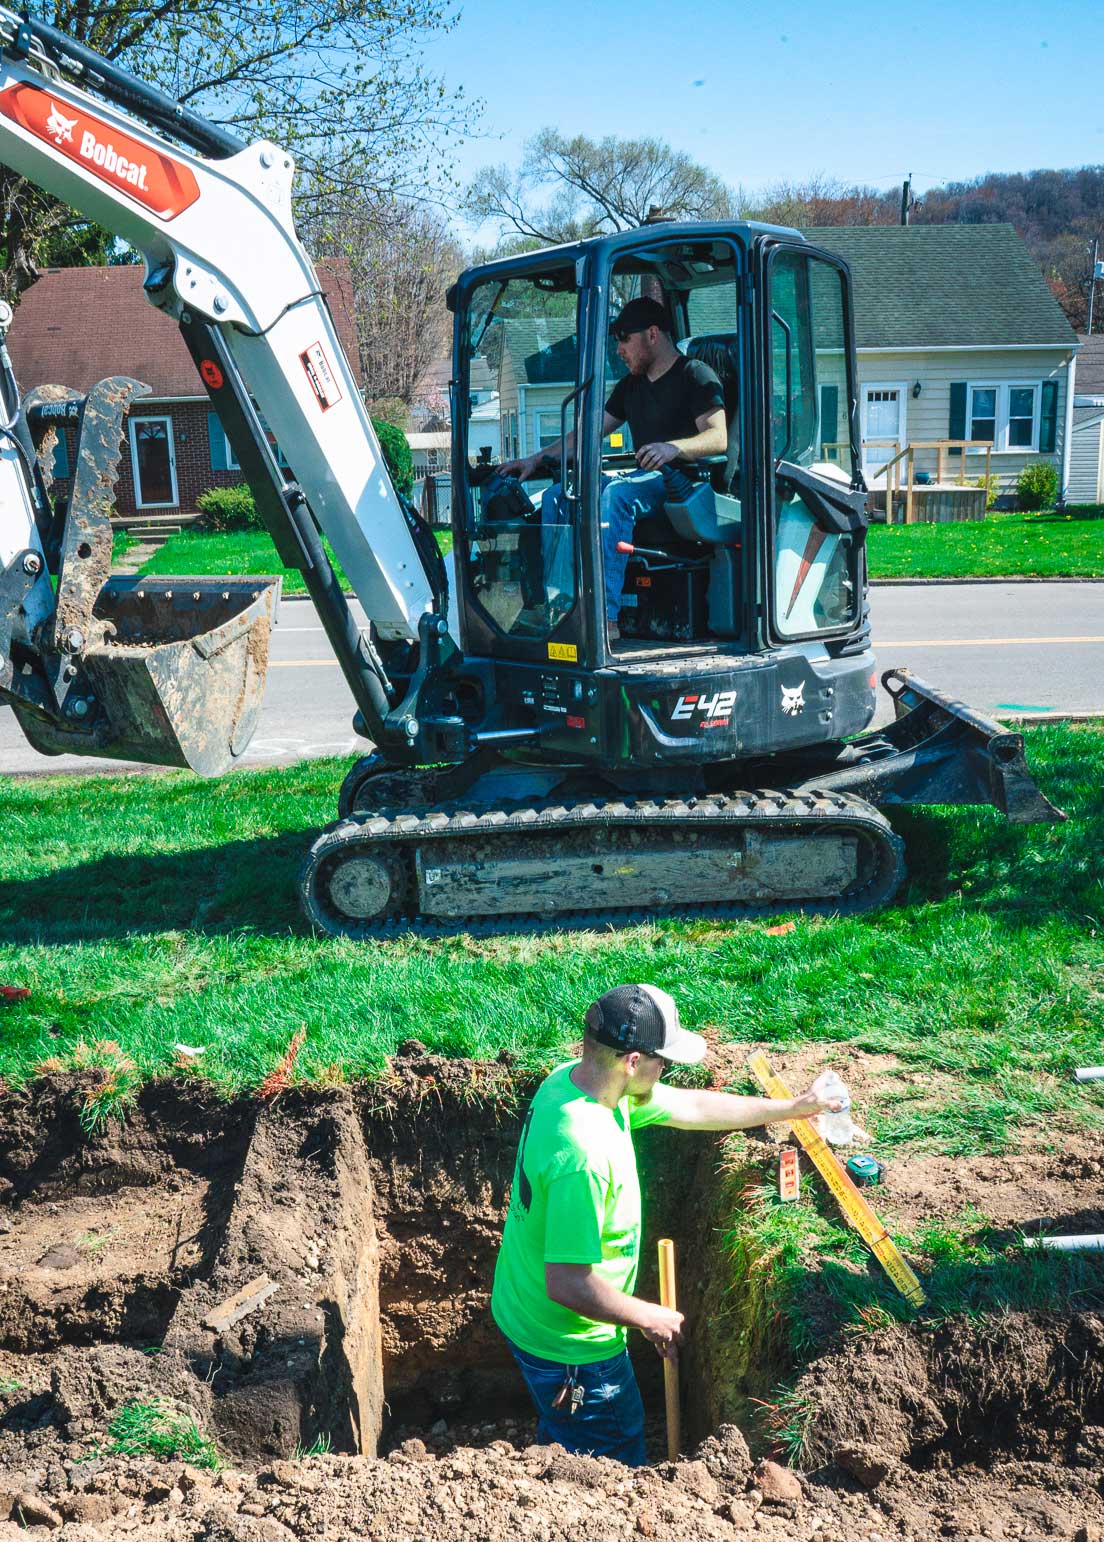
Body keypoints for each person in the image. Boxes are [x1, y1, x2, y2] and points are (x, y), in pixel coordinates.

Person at [490, 983, 843, 1466]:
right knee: (611, 1456)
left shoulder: (573, 1083)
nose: (666, 1073)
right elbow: (568, 1283)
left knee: (567, 1432)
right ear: (633, 1061)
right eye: (664, 1062)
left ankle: (557, 1443)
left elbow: (691, 1107)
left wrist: (792, 1108)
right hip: (571, 1349)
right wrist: (648, 1316)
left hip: (522, 1308)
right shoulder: (585, 1157)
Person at [500, 298, 728, 640]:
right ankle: (560, 607)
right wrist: (536, 459)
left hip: (683, 482)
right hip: (642, 478)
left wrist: (673, 448)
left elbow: (719, 436)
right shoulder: (631, 386)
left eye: (624, 339)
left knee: (616, 494)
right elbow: (583, 437)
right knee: (558, 496)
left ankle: (604, 618)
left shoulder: (694, 375)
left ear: (652, 334)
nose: (619, 350)